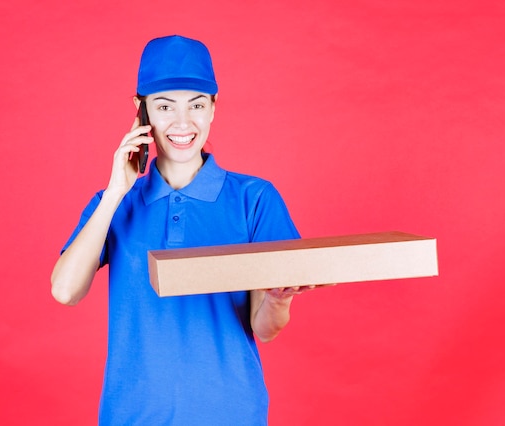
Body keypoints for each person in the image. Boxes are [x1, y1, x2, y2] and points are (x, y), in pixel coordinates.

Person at [51, 35, 316, 426]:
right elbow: (65, 290)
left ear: (213, 108)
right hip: (132, 415)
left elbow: (266, 329)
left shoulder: (254, 199)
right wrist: (114, 193)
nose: (182, 123)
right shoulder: (115, 203)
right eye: (164, 106)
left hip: (232, 414)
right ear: (141, 111)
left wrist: (279, 298)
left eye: (196, 104)